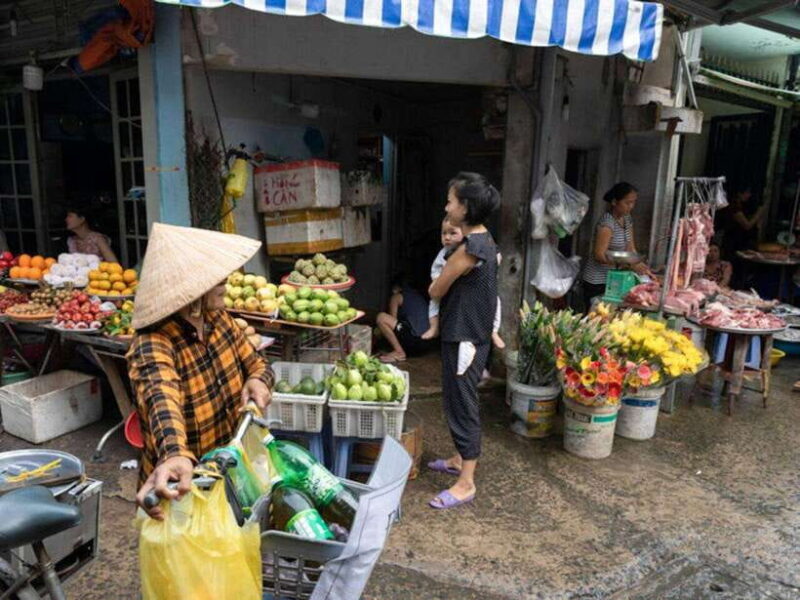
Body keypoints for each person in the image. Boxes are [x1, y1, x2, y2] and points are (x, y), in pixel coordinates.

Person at [129, 223, 274, 520]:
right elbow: (161, 398)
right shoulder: (153, 342)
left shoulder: (218, 319)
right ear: (190, 290)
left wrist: (258, 380)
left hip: (228, 471)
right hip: (183, 486)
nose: (225, 281)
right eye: (215, 278)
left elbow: (257, 363)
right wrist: (174, 453)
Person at [427, 172, 499, 510]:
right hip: (470, 332)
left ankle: (466, 482)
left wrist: (438, 282)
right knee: (459, 396)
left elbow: (435, 288)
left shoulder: (470, 249)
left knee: (462, 402)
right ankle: (459, 458)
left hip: (465, 336)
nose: (447, 206)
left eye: (451, 201)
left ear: (465, 207)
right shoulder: (484, 239)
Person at [423, 217, 505, 351]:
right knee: (434, 301)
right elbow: (436, 271)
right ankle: (434, 327)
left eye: (452, 233)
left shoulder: (472, 248)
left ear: (465, 233)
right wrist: (440, 280)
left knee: (495, 301)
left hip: (474, 291)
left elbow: (495, 257)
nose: (447, 237)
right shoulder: (443, 254)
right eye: (444, 233)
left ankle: (493, 331)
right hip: (447, 290)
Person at [582, 182, 653, 308]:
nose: (631, 206)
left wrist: (639, 265)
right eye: (627, 203)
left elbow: (630, 248)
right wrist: (628, 265)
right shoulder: (607, 223)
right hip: (598, 281)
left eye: (633, 202)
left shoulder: (627, 219)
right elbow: (599, 255)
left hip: (615, 279)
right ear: (615, 202)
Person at [375, 276, 431, 363]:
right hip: (426, 344)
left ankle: (399, 352)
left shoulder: (397, 296)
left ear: (397, 287)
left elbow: (392, 320)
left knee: (381, 317)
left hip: (414, 340)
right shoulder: (419, 297)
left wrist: (380, 333)